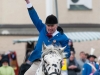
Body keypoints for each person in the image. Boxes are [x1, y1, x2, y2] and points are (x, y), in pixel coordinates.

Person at [24, 0, 70, 75]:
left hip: (53, 65)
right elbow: (34, 17)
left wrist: (57, 53)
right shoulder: (42, 29)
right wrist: (28, 3)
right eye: (48, 25)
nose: (50, 28)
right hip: (38, 62)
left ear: (56, 25)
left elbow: (67, 53)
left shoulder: (63, 38)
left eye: (52, 26)